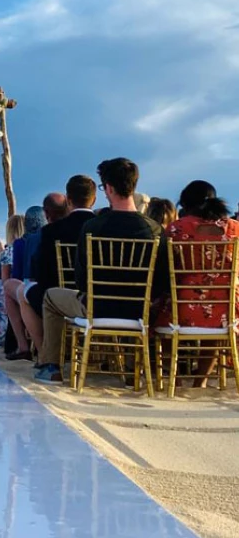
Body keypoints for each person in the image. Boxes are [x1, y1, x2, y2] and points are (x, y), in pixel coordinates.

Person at [35, 158, 168, 383]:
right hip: (138, 310)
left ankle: (51, 367)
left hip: (98, 308)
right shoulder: (155, 230)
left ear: (109, 188)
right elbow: (162, 280)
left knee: (50, 297)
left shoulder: (94, 227)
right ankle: (131, 370)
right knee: (135, 302)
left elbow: (82, 279)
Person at [158, 181, 239, 385]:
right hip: (226, 310)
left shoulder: (177, 229)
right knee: (215, 318)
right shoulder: (234, 229)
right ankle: (200, 381)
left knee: (158, 314)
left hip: (183, 308)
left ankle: (174, 379)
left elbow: (166, 268)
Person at [18, 176, 97, 359]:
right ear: (94, 199)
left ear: (69, 199)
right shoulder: (102, 226)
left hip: (62, 296)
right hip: (101, 298)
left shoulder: (51, 231)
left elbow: (41, 273)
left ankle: (44, 355)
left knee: (24, 292)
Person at [3, 204, 48, 360]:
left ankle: (23, 346)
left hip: (35, 292)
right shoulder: (52, 235)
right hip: (64, 293)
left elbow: (18, 276)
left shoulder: (23, 242)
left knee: (10, 287)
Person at [0, 214, 25, 348]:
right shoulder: (27, 248)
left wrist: (3, 252)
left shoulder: (8, 252)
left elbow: (4, 279)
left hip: (8, 293)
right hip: (23, 288)